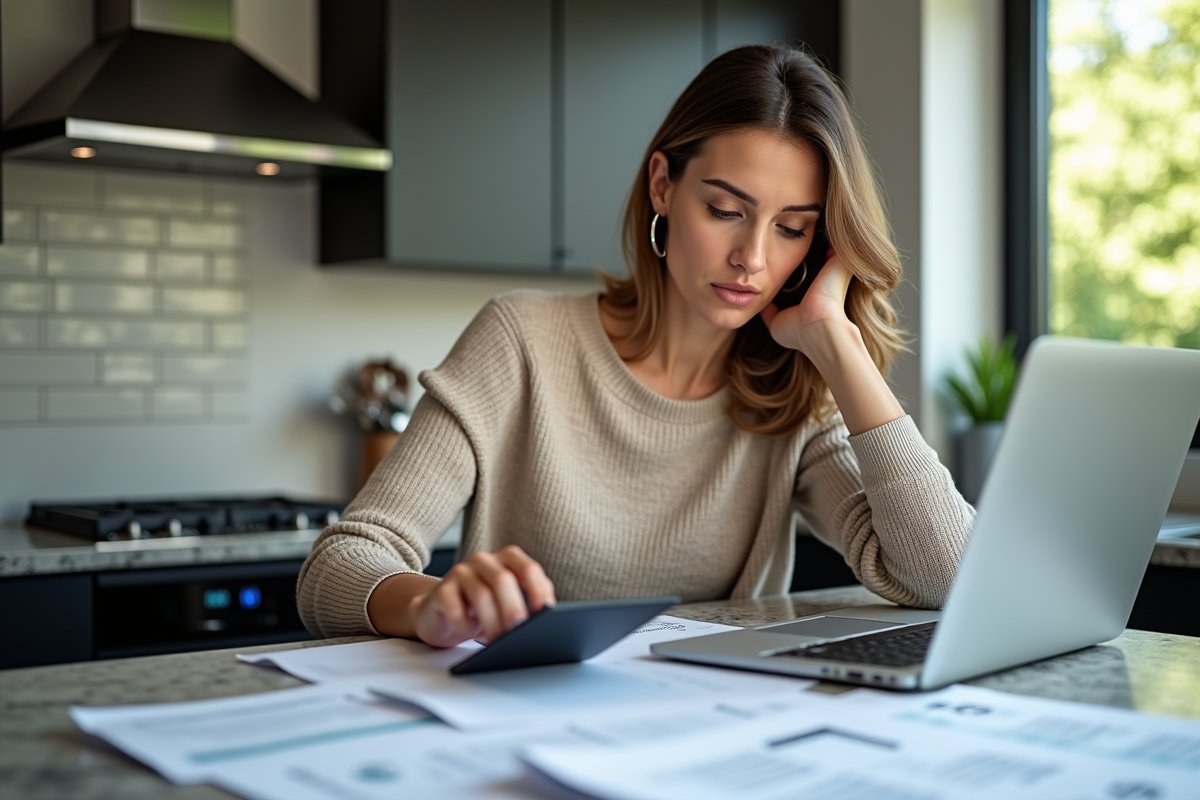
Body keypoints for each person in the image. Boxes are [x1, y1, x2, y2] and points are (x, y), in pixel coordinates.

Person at [297, 44, 974, 648]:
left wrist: (838, 346)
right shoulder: (522, 341)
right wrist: (430, 605)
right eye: (726, 211)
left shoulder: (794, 389)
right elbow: (340, 564)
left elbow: (946, 577)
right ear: (663, 185)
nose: (752, 258)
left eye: (792, 228)